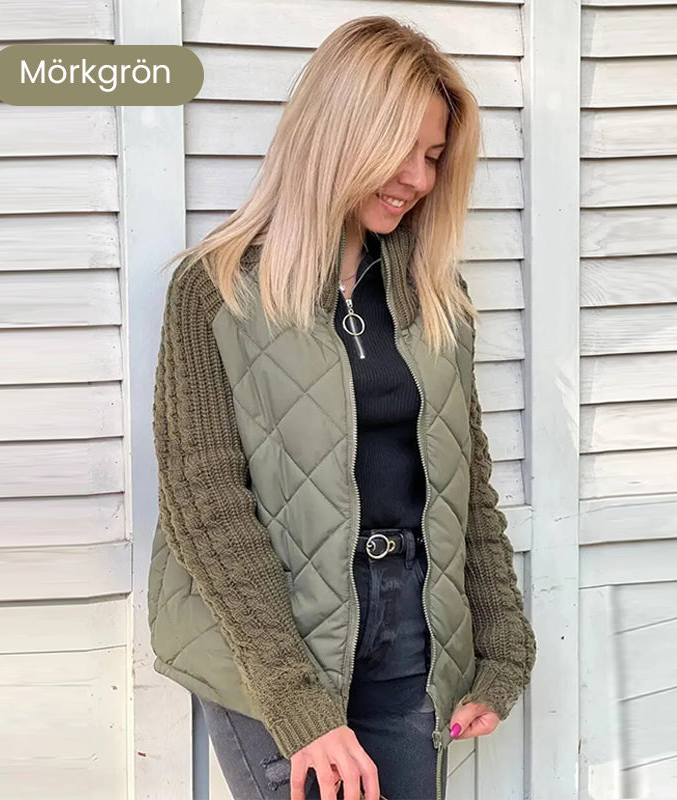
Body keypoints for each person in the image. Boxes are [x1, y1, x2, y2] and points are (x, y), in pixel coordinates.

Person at [148, 15, 537, 800]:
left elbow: (467, 485)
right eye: (401, 150)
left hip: (411, 627)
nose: (419, 179)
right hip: (267, 638)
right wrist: (296, 701)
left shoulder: (435, 296)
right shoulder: (216, 290)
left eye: (434, 157)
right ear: (339, 133)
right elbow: (205, 504)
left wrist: (504, 644)